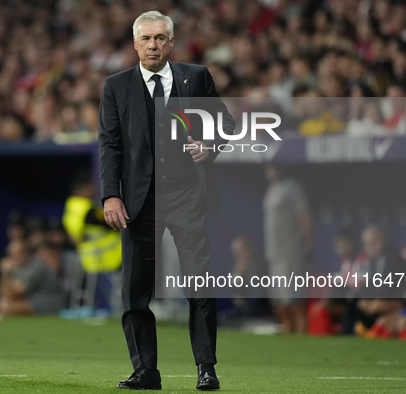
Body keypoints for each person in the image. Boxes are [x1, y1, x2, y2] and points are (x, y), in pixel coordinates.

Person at [98, 11, 234, 391]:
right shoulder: (116, 86)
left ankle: (206, 368)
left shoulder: (197, 77)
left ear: (171, 43)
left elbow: (225, 124)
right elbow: (109, 144)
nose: (153, 45)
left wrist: (209, 146)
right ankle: (146, 371)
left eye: (160, 38)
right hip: (138, 202)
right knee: (135, 291)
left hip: (188, 195)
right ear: (135, 43)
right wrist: (111, 194)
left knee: (200, 284)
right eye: (146, 38)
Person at [263, 164, 312, 334]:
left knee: (294, 300)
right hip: (273, 254)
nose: (271, 171)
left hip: (290, 253)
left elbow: (304, 215)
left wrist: (307, 244)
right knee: (279, 301)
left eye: (274, 167)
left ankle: (301, 335)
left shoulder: (292, 187)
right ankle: (288, 336)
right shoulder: (271, 189)